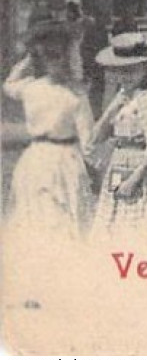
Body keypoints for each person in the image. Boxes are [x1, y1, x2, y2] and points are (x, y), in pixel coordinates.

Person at [4, 24, 94, 239]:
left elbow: (9, 84)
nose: (55, 62)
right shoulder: (44, 90)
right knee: (45, 213)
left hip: (51, 159)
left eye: (57, 56)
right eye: (51, 56)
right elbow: (88, 139)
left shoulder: (50, 90)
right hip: (50, 159)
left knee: (51, 215)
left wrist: (26, 62)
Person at [88, 32, 147, 241]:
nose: (125, 77)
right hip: (118, 165)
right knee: (114, 225)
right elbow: (96, 137)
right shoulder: (123, 97)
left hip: (139, 169)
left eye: (131, 70)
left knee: (140, 227)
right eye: (120, 71)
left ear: (145, 68)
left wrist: (135, 178)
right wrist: (112, 108)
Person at [67, 2, 108, 117]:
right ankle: (94, 112)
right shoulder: (88, 24)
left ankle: (92, 113)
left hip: (90, 60)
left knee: (91, 88)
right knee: (94, 88)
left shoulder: (85, 24)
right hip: (93, 60)